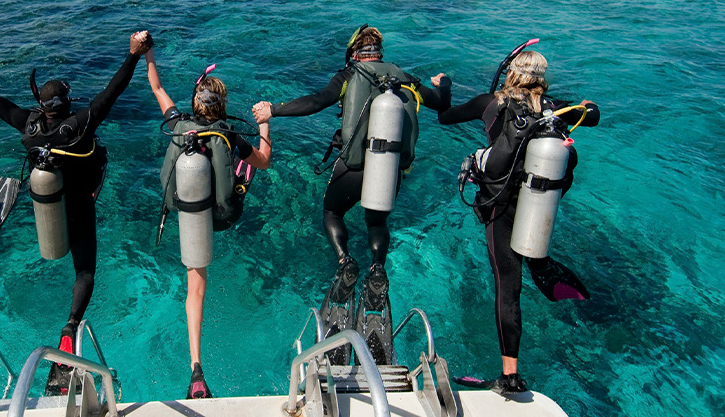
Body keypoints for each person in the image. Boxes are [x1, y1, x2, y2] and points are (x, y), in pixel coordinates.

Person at [0, 32, 152, 395]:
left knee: (27, 199)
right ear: (65, 103)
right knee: (85, 272)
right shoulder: (80, 124)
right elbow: (113, 90)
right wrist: (133, 55)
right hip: (79, 205)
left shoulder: (26, 125)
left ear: (42, 105)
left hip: (45, 209)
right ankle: (70, 327)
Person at [252, 25, 450, 365]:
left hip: (353, 169)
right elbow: (442, 105)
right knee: (377, 219)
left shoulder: (348, 74)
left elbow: (316, 101)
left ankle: (345, 260)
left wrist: (275, 110)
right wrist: (442, 83)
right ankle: (377, 269)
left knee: (333, 213)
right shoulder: (405, 79)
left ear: (354, 52)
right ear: (379, 52)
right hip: (387, 170)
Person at [438, 48, 600, 395]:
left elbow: (446, 116)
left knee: (507, 288)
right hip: (536, 201)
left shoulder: (491, 102)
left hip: (500, 207)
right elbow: (593, 115)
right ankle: (541, 263)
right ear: (542, 77)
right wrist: (586, 106)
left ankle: (509, 377)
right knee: (526, 262)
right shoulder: (554, 108)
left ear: (511, 72)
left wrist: (445, 85)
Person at [144, 38, 272, 399]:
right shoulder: (229, 133)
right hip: (222, 214)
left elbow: (157, 86)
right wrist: (265, 124)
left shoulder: (176, 123)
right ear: (223, 106)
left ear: (195, 103)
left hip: (188, 215)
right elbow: (264, 157)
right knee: (246, 167)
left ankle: (196, 368)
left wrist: (148, 53)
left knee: (195, 288)